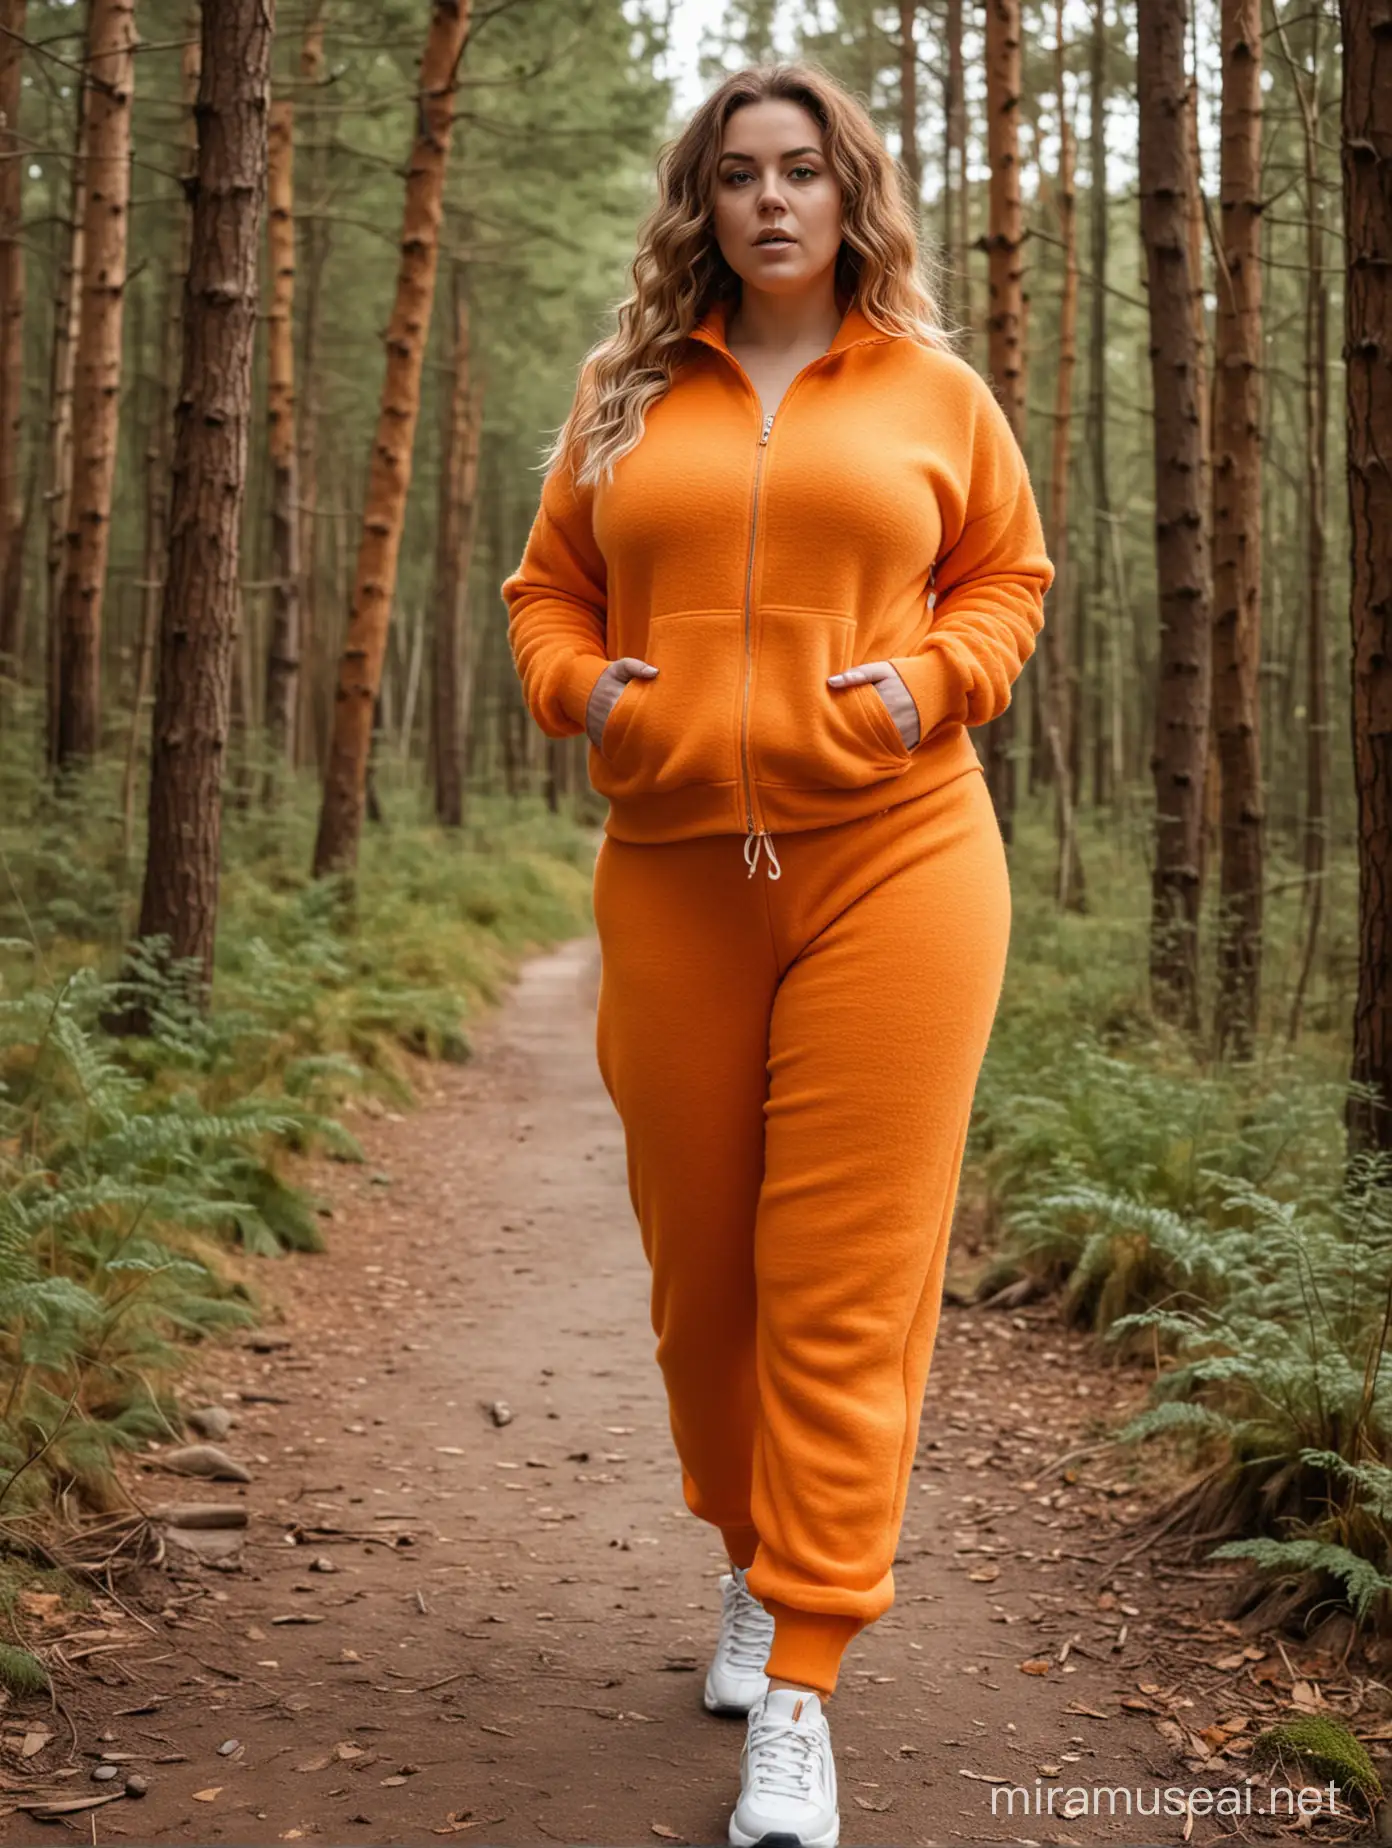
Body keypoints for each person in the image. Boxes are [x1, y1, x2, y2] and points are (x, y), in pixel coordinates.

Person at [502, 58, 1054, 1848]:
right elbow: (544, 594)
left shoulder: (936, 395)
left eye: (803, 171)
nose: (771, 201)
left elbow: (1009, 582)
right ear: (701, 202)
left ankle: (802, 1676)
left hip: (899, 857)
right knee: (702, 1280)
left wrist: (926, 684)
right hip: (674, 870)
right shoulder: (622, 398)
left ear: (849, 193)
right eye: (737, 173)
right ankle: (751, 1548)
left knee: (842, 1278)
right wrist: (589, 694)